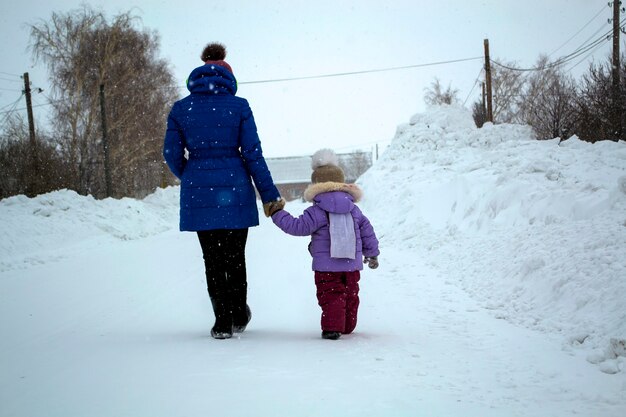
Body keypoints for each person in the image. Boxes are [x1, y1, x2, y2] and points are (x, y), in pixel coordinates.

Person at [163, 42, 284, 340]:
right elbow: (253, 153)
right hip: (236, 187)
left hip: (199, 191)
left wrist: (192, 174)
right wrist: (269, 195)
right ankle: (239, 314)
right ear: (229, 78)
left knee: (212, 258)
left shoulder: (181, 108)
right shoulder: (239, 106)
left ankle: (221, 321)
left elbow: (170, 153)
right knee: (235, 256)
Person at [268, 149, 380, 340]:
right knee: (350, 294)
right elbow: (367, 231)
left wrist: (277, 213)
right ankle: (347, 325)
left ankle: (332, 328)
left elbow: (296, 227)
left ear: (317, 186)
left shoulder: (317, 211)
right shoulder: (355, 210)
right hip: (352, 265)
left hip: (326, 267)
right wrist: (372, 253)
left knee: (331, 295)